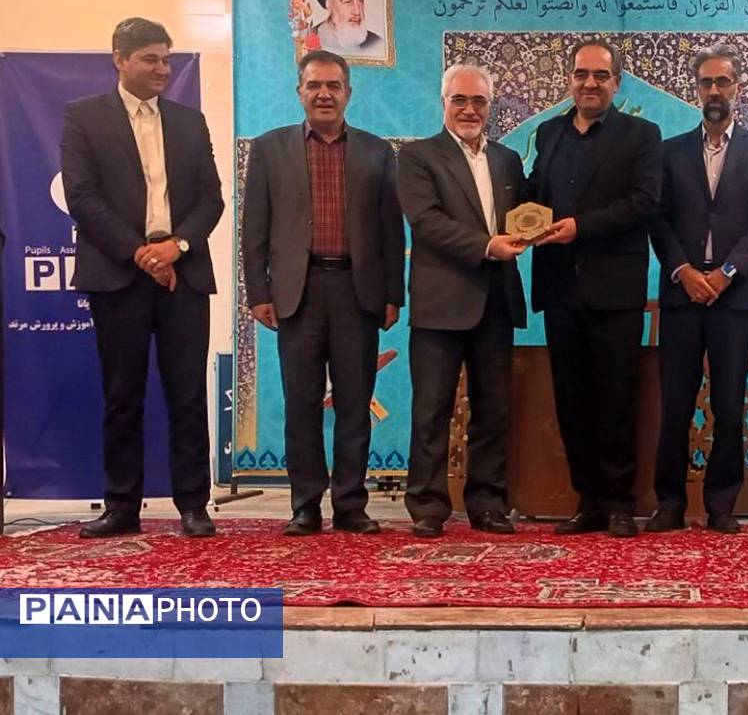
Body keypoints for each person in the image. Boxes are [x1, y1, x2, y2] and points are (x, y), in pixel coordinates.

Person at [61, 17, 224, 538]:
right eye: (151, 58)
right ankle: (121, 506)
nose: (163, 69)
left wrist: (175, 248)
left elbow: (211, 199)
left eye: (167, 59)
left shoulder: (189, 122)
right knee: (123, 395)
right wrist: (140, 254)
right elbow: (82, 197)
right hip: (118, 275)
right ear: (120, 59)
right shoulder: (84, 117)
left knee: (187, 394)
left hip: (184, 273)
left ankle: (193, 505)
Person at [241, 49, 405, 536]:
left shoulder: (378, 151)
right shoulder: (269, 149)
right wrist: (258, 292)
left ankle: (351, 504)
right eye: (314, 85)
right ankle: (305, 505)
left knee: (355, 402)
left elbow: (391, 229)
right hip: (298, 291)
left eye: (334, 85)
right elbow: (255, 228)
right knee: (302, 403)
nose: (324, 94)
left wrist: (393, 293)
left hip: (358, 291)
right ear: (299, 92)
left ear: (349, 93)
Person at [528, 39, 663, 538]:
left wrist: (580, 227)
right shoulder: (549, 133)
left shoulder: (641, 135)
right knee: (572, 399)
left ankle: (620, 502)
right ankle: (588, 501)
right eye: (581, 74)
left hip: (615, 291)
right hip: (560, 289)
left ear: (616, 83)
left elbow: (645, 202)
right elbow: (535, 193)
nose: (590, 83)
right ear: (569, 80)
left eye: (600, 75)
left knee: (617, 400)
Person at [647, 44, 748, 534]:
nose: (714, 90)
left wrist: (726, 273)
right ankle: (669, 503)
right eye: (706, 83)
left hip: (734, 296)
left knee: (728, 403)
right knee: (676, 404)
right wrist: (684, 270)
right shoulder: (671, 151)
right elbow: (658, 220)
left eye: (722, 82)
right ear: (696, 90)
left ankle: (722, 504)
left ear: (737, 88)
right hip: (682, 294)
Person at [396, 64, 528, 538]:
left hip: (496, 301)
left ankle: (488, 504)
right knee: (432, 410)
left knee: (494, 410)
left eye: (479, 101)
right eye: (460, 100)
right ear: (444, 103)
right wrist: (487, 245)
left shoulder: (508, 160)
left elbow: (522, 217)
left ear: (490, 106)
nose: (469, 109)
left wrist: (537, 230)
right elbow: (426, 221)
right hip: (441, 303)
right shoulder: (417, 157)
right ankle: (428, 506)